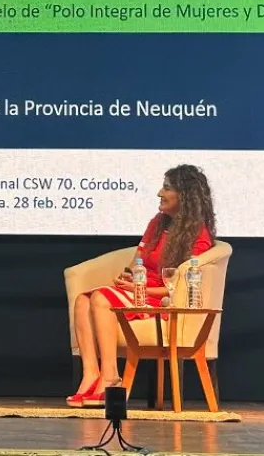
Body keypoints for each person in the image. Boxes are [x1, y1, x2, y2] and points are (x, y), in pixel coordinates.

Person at [66, 164, 216, 407]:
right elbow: (138, 261)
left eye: (166, 188)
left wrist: (140, 290)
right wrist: (127, 278)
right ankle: (91, 374)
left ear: (185, 195)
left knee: (101, 299)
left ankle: (110, 377)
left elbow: (179, 289)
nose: (159, 193)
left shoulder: (198, 236)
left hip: (162, 301)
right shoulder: (158, 223)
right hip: (140, 291)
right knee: (82, 300)